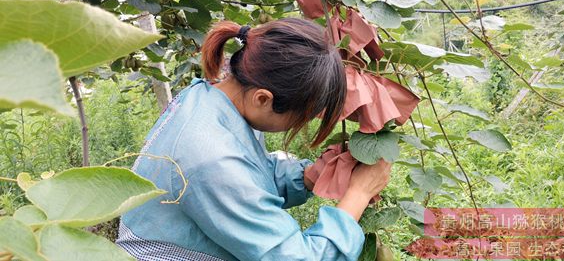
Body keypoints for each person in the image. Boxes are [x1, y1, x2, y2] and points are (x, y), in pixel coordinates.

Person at [116, 18, 392, 261]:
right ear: (263, 98)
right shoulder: (211, 159)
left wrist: (308, 176)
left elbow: (247, 173)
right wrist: (359, 193)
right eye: (302, 118)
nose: (302, 125)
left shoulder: (209, 98)